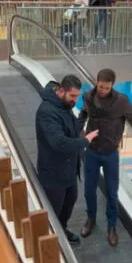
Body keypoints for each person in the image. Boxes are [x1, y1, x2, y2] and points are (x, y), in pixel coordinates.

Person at [78, 69, 132, 246]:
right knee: (88, 190)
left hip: (110, 154)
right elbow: (83, 113)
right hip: (91, 151)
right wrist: (78, 130)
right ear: (97, 82)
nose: (103, 91)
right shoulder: (87, 97)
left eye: (107, 88)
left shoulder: (121, 101)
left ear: (112, 86)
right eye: (101, 87)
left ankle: (111, 226)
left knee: (111, 193)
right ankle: (90, 219)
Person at [35, 75, 99, 245]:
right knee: (53, 212)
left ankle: (62, 230)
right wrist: (86, 140)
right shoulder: (47, 112)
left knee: (70, 202)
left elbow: (72, 131)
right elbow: (59, 143)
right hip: (53, 174)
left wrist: (84, 114)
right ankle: (50, 243)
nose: (74, 100)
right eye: (72, 96)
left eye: (77, 97)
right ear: (61, 91)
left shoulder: (64, 106)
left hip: (69, 170)